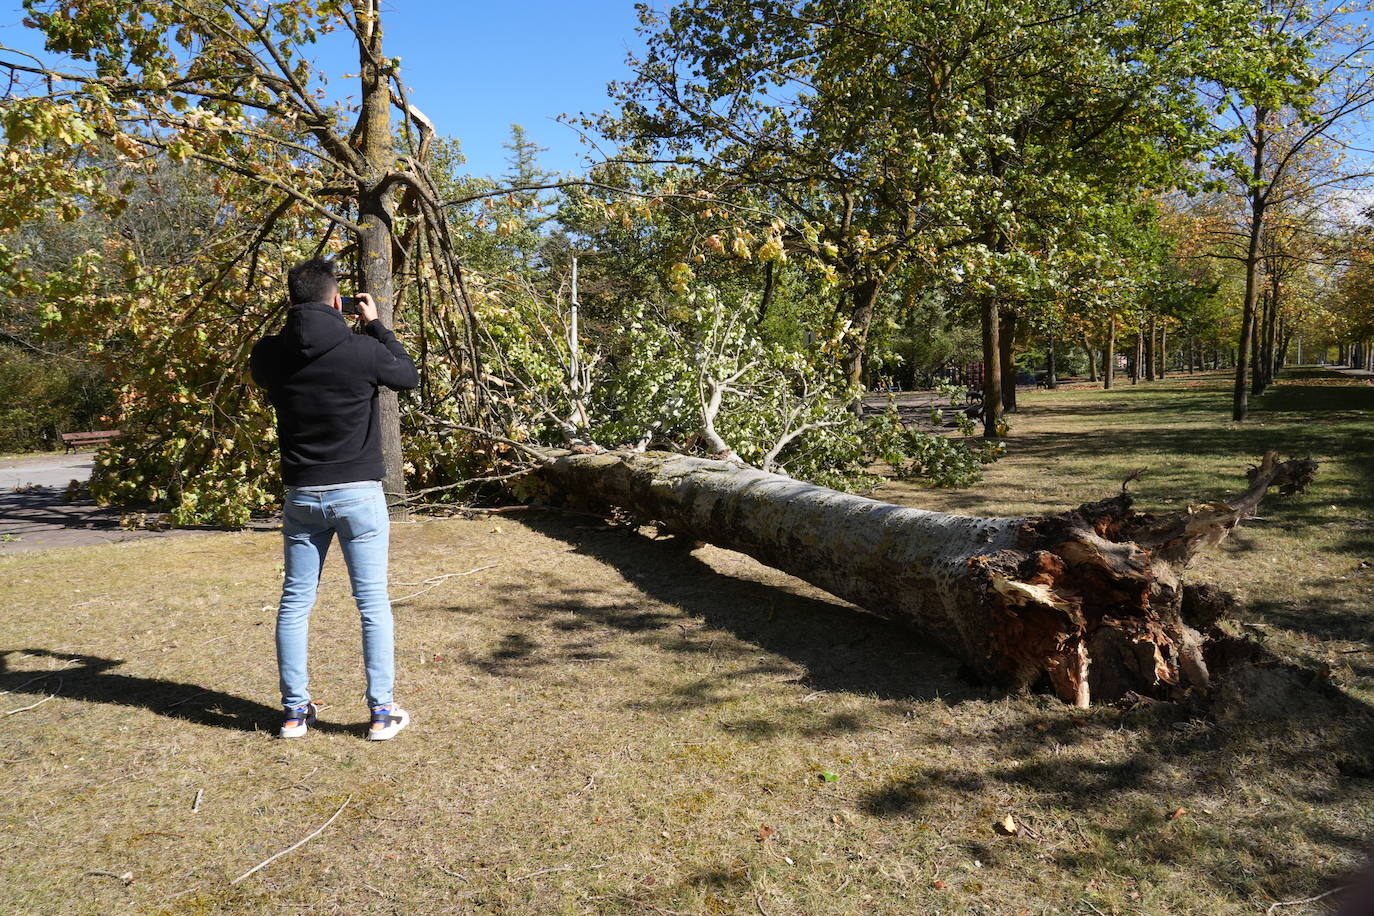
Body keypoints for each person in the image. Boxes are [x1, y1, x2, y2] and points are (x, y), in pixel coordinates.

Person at [250, 258, 419, 741]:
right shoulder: (361, 350)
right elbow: (406, 376)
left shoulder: (269, 355)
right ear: (338, 300)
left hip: (302, 495)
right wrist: (377, 325)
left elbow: (268, 366)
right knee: (371, 602)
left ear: (291, 300)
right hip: (358, 495)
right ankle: (382, 713)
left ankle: (293, 713)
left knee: (295, 602)